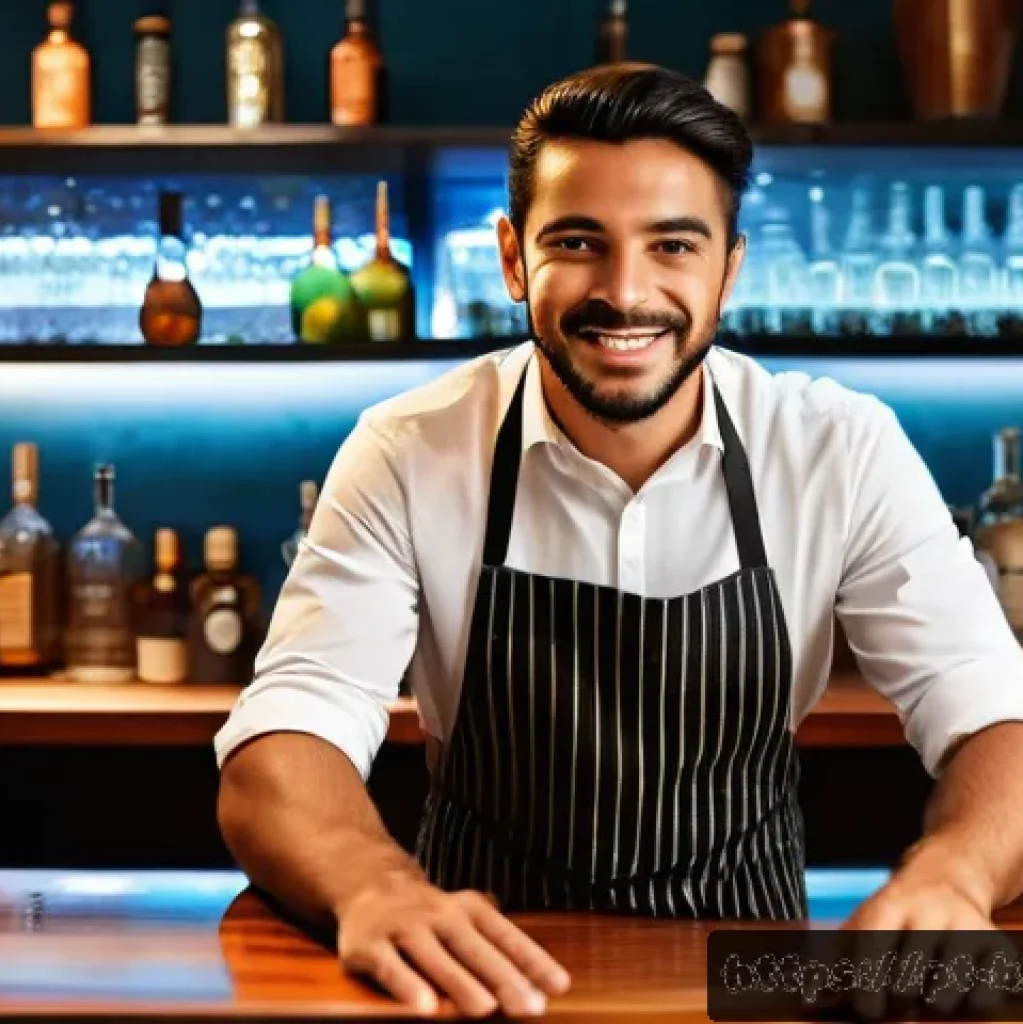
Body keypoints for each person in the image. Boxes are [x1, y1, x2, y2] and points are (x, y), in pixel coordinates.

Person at [215, 63, 1023, 1018]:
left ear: (730, 266)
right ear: (515, 258)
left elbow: (992, 715)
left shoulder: (838, 447)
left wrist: (957, 873)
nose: (625, 292)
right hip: (479, 974)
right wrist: (371, 883)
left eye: (673, 245)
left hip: (748, 980)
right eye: (578, 243)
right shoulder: (410, 448)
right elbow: (287, 732)